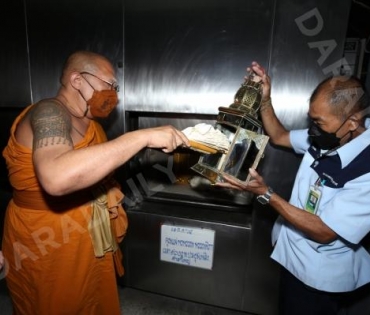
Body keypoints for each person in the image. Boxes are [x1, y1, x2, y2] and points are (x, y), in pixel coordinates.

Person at [1, 50, 189, 315]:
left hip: (87, 231)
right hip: (45, 238)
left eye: (116, 87)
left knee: (91, 299)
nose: (114, 94)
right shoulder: (48, 112)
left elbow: (95, 169)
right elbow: (56, 178)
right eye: (108, 84)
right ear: (77, 79)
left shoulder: (92, 125)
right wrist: (140, 137)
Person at [218, 61, 370, 315]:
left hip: (318, 276)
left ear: (353, 122)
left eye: (319, 123)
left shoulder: (365, 168)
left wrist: (266, 194)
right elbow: (278, 136)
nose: (312, 131)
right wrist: (265, 99)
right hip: (290, 255)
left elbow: (325, 231)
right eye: (312, 120)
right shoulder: (328, 137)